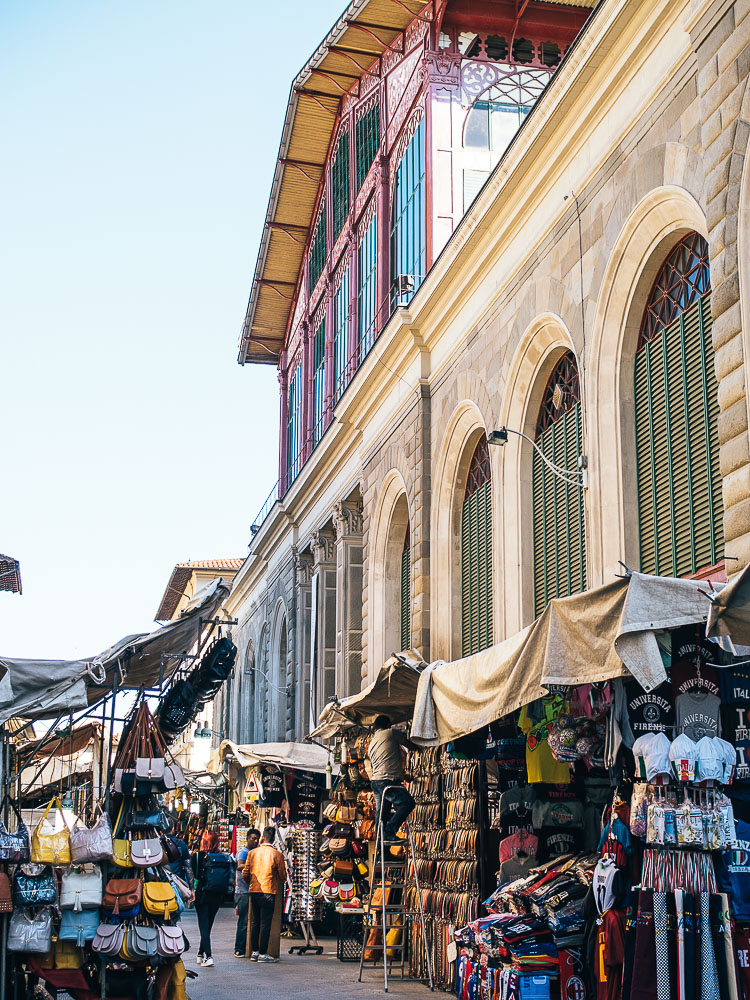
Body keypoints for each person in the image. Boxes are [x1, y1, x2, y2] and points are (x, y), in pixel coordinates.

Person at [242, 825, 287, 963]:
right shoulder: (276, 854)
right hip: (269, 891)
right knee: (265, 923)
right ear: (273, 838)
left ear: (262, 838)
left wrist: (251, 882)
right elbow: (282, 875)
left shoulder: (252, 853)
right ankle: (263, 953)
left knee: (255, 922)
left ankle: (254, 952)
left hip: (254, 890)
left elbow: (245, 873)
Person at [368, 714, 416, 841]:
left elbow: (384, 763)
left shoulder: (372, 742)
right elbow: (410, 745)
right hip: (387, 781)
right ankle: (389, 832)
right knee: (407, 803)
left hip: (376, 782)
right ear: (388, 725)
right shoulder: (391, 733)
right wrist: (422, 748)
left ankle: (380, 844)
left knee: (381, 814)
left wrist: (404, 776)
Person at [192, 830, 235, 967]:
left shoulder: (198, 856)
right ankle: (200, 954)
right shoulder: (223, 857)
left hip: (202, 895)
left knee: (203, 926)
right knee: (208, 925)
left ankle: (208, 956)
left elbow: (192, 875)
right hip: (218, 895)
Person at [233, 828, 260, 957]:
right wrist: (252, 865)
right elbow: (239, 865)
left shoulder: (254, 852)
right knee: (243, 921)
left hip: (251, 891)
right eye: (253, 838)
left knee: (250, 921)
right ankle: (239, 948)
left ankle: (248, 947)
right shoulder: (243, 852)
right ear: (247, 839)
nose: (255, 841)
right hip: (243, 892)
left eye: (257, 839)